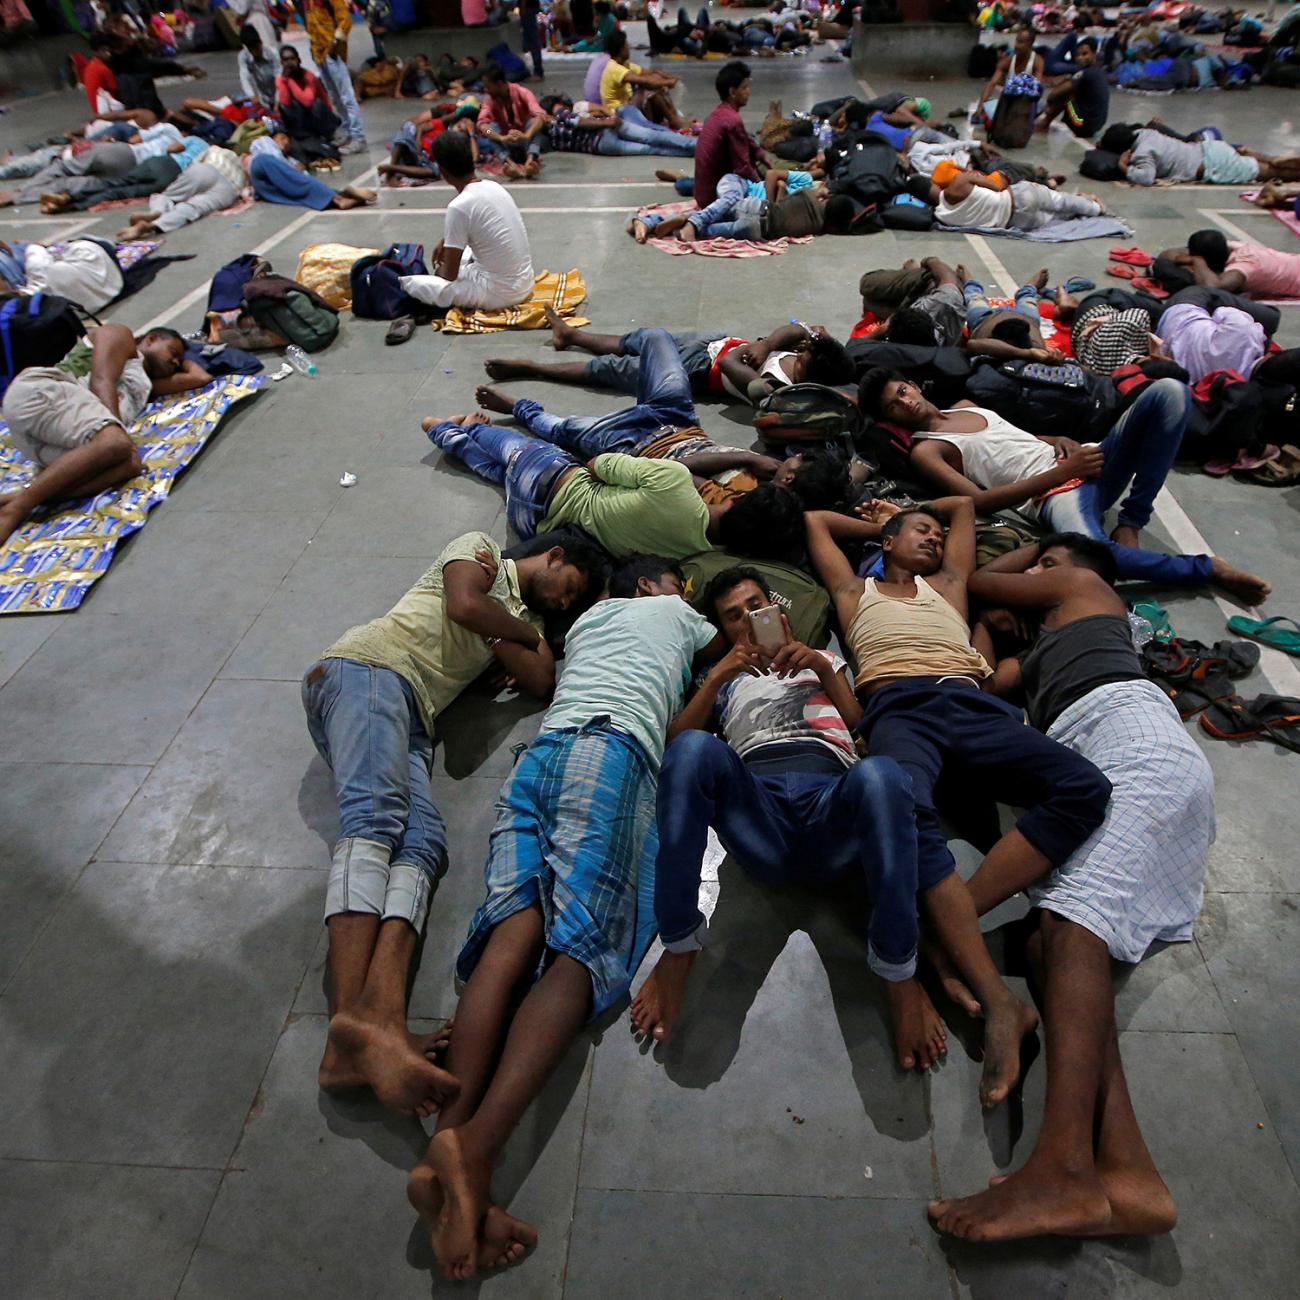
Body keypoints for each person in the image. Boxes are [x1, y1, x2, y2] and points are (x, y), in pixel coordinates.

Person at [406, 556, 723, 1282]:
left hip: (540, 755)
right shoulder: (674, 613)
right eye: (680, 584)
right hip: (611, 756)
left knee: (511, 934)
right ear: (652, 586)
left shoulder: (584, 624)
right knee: (582, 948)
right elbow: (720, 662)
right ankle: (477, 1153)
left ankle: (446, 1148)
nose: (687, 598)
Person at [929, 532, 1211, 1241]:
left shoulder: (1085, 589)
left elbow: (974, 576)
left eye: (1046, 563)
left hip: (1133, 744)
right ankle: (1128, 1174)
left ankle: (1061, 1172)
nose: (1038, 572)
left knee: (1069, 925)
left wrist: (1030, 562)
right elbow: (984, 681)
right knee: (1050, 946)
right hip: (1103, 753)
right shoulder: (1046, 650)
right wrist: (986, 633)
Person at [804, 498, 1100, 1104]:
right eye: (921, 531)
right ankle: (1000, 1002)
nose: (936, 539)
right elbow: (815, 521)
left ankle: (947, 929)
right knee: (902, 809)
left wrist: (918, 519)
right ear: (887, 543)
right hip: (899, 711)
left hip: (973, 705)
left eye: (939, 536)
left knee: (1085, 787)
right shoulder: (854, 593)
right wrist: (882, 523)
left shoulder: (951, 585)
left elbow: (963, 506)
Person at [302, 530, 603, 1122]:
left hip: (413, 714)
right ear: (556, 555)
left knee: (423, 845)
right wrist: (508, 630)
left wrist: (508, 630)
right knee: (376, 818)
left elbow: (542, 680)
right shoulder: (481, 547)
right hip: (367, 671)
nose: (566, 603)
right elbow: (464, 603)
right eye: (573, 588)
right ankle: (350, 1038)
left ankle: (378, 1022)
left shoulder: (512, 612)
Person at [630, 564, 951, 1072]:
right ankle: (679, 946)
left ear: (776, 608)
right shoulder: (723, 680)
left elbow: (864, 732)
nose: (747, 619)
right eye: (732, 616)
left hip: (832, 806)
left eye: (755, 605)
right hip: (760, 814)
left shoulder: (823, 660)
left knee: (883, 774)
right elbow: (676, 749)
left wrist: (823, 669)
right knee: (692, 749)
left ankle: (898, 973)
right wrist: (717, 678)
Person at [860, 368, 1271, 603]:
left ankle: (1132, 519)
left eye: (902, 391)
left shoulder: (966, 406)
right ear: (892, 417)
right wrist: (1058, 475)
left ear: (913, 383)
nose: (905, 401)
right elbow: (979, 502)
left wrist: (1055, 440)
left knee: (1169, 392)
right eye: (894, 405)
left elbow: (1016, 439)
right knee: (1098, 560)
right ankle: (1205, 568)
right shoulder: (927, 450)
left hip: (1084, 463)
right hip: (1052, 494)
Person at [422, 337, 806, 561]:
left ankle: (463, 426)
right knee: (501, 472)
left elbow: (598, 465)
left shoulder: (677, 484)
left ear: (739, 501)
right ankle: (453, 436)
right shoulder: (699, 551)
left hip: (579, 466)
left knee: (527, 446)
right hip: (535, 521)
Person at [0, 324, 209, 544]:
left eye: (178, 361)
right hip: (41, 393)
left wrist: (186, 357)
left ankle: (19, 498)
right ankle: (16, 509)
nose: (175, 362)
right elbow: (102, 381)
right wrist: (118, 436)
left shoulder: (144, 383)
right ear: (151, 339)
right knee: (116, 444)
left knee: (131, 464)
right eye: (173, 353)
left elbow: (200, 378)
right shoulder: (120, 335)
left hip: (47, 436)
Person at [483, 311, 853, 405]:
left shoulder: (775, 388)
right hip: (712, 342)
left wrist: (754, 348)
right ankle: (572, 335)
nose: (803, 347)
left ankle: (534, 369)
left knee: (613, 369)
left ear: (810, 370)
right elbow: (800, 328)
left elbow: (730, 367)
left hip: (694, 372)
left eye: (806, 353)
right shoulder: (805, 350)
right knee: (641, 338)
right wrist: (767, 343)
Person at [397, 132, 535, 312]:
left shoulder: (458, 206)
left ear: (443, 171)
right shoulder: (494, 186)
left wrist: (443, 266)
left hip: (500, 295)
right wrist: (448, 240)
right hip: (525, 282)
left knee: (415, 283)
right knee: (468, 252)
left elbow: (449, 275)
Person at [115, 142, 246, 237]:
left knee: (168, 195)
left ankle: (158, 211)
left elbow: (191, 166)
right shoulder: (240, 164)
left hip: (207, 169)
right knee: (194, 207)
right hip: (229, 189)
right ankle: (153, 226)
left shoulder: (213, 149)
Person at [931, 166, 1105, 233]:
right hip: (1019, 196)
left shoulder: (942, 218)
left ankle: (1084, 203)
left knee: (1056, 217)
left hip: (1018, 221)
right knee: (1060, 201)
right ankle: (1096, 208)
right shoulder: (959, 181)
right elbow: (996, 185)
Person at [692, 60, 763, 211]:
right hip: (714, 198)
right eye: (744, 88)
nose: (748, 92)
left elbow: (746, 140)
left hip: (702, 193)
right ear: (732, 92)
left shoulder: (720, 113)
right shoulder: (733, 120)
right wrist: (762, 186)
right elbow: (743, 167)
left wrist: (761, 154)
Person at [1122, 128, 1300, 188]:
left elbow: (1145, 178)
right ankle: (1271, 158)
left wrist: (1123, 166)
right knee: (1249, 156)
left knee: (1272, 173)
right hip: (1211, 148)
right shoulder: (1145, 133)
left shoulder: (1142, 153)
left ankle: (1279, 166)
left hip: (1213, 165)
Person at [247, 132, 377, 209]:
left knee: (291, 190)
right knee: (295, 180)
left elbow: (299, 172)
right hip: (261, 166)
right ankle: (336, 198)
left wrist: (297, 166)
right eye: (284, 140)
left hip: (266, 186)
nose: (286, 143)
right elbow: (277, 159)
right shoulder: (264, 142)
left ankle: (339, 194)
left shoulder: (288, 158)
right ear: (278, 137)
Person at [303, 0, 367, 153]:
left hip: (332, 53)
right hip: (319, 53)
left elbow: (345, 19)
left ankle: (358, 137)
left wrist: (335, 42)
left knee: (346, 96)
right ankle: (347, 132)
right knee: (335, 97)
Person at [542, 96, 697, 158]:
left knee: (651, 149)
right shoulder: (559, 113)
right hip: (605, 131)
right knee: (652, 135)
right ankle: (696, 145)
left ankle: (693, 153)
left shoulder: (553, 139)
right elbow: (579, 122)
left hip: (602, 146)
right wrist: (607, 122)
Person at [601, 29, 689, 132]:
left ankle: (674, 117)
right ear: (621, 49)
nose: (629, 47)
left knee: (655, 82)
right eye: (626, 45)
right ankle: (673, 120)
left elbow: (652, 73)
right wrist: (667, 82)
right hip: (619, 112)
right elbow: (645, 81)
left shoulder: (625, 65)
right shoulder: (614, 68)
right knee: (649, 89)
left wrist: (670, 78)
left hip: (628, 106)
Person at [1177, 227, 1300, 300]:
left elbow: (1213, 288)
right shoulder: (1231, 246)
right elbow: (1168, 254)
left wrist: (1197, 261)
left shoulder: (1245, 266)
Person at [476, 61, 546, 179]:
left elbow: (540, 115)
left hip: (525, 141)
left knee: (535, 123)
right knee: (490, 129)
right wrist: (500, 137)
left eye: (488, 87)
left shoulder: (523, 92)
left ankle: (530, 161)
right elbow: (482, 126)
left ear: (499, 84)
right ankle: (510, 163)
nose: (486, 90)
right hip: (506, 142)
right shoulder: (489, 100)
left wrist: (526, 135)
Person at [276, 45, 343, 164]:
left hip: (321, 118)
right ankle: (302, 137)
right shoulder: (281, 79)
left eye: (292, 59)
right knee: (285, 107)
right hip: (303, 122)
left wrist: (290, 82)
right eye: (285, 60)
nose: (289, 63)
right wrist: (285, 82)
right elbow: (285, 103)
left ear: (299, 60)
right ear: (281, 62)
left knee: (315, 104)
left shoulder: (308, 77)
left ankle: (328, 137)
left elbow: (308, 101)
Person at [1037, 37, 1109, 139]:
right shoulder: (1098, 72)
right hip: (1096, 125)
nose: (1080, 58)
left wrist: (1048, 106)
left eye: (1084, 54)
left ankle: (1044, 123)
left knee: (1066, 96)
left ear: (1094, 54)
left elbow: (1054, 95)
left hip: (1081, 124)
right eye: (1077, 55)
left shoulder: (1084, 73)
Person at [237, 22, 281, 110]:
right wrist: (252, 96)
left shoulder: (273, 53)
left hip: (280, 96)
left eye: (256, 48)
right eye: (251, 49)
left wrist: (277, 102)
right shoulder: (243, 56)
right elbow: (244, 78)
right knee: (241, 104)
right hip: (262, 99)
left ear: (260, 43)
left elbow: (279, 79)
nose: (254, 53)